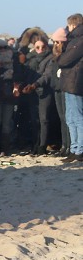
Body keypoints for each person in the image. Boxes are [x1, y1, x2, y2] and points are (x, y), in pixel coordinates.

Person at [56, 13, 83, 163]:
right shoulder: (74, 40)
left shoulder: (79, 40)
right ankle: (74, 148)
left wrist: (61, 58)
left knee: (77, 117)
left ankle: (79, 150)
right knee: (70, 118)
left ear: (74, 25)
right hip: (70, 82)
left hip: (75, 83)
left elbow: (66, 59)